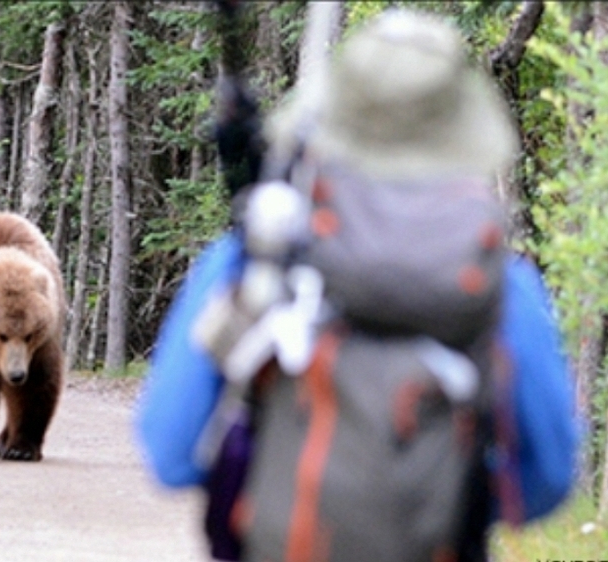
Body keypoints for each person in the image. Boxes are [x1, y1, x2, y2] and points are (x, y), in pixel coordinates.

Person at [136, 8, 578, 562]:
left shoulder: (259, 259)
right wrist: (438, 501)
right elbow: (547, 483)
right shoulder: (502, 288)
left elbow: (170, 452)